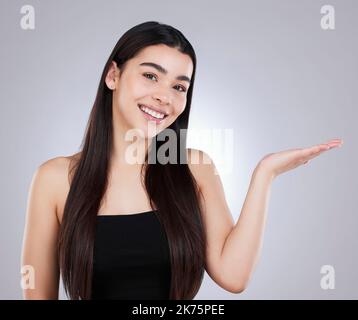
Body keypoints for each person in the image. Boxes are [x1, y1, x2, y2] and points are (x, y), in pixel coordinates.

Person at [21, 21, 343, 300]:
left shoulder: (194, 168)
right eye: (150, 76)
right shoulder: (54, 179)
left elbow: (233, 276)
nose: (165, 96)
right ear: (112, 76)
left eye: (179, 86)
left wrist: (265, 174)